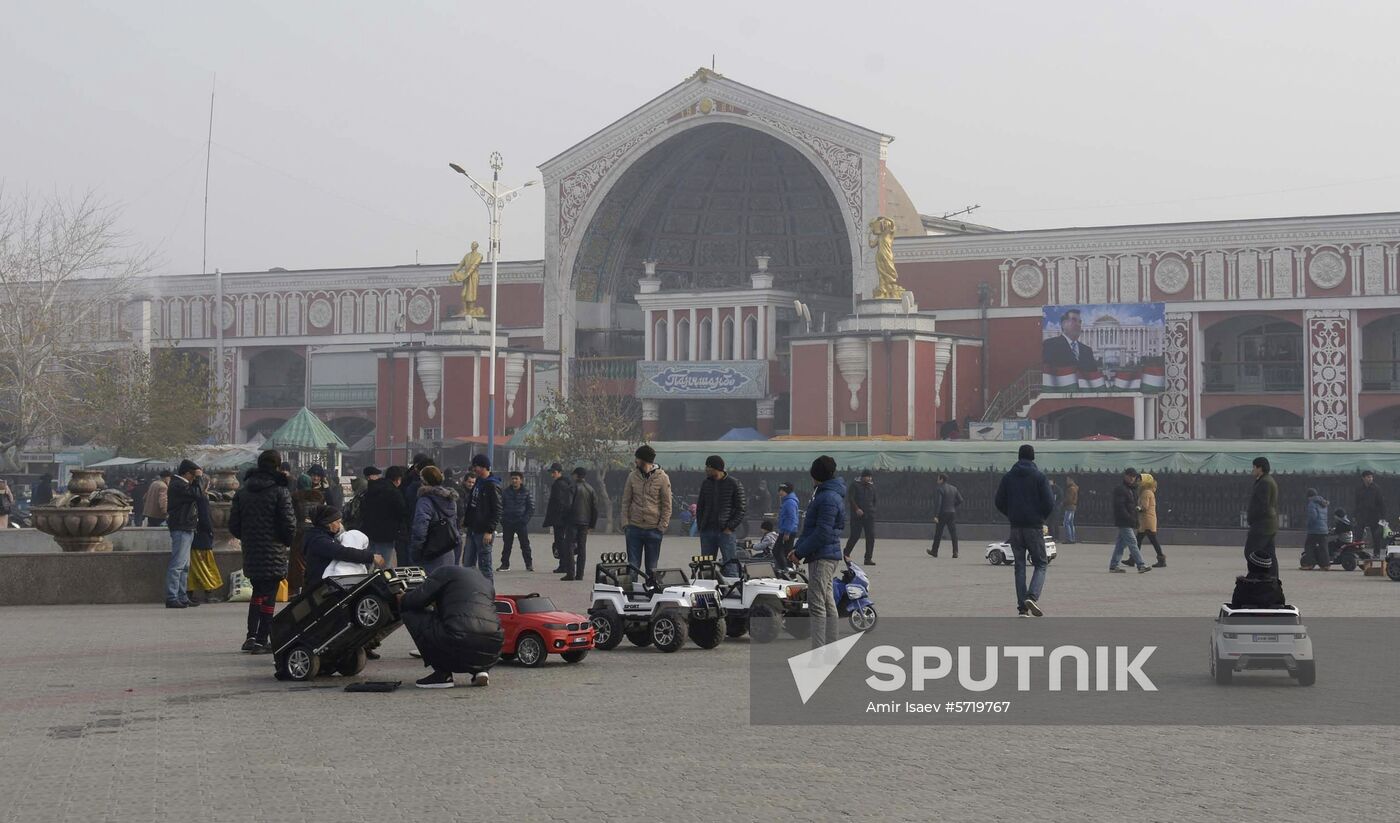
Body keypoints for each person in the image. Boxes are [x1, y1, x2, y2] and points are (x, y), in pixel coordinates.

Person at [229, 449, 297, 653]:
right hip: (274, 550)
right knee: (269, 596)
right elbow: (289, 523)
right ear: (277, 466)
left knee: (257, 593)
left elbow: (233, 524)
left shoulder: (243, 492)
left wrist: (249, 538)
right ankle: (261, 640)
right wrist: (285, 541)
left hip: (252, 550)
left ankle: (251, 637)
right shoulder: (280, 491)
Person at [399, 565, 503, 689]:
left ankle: (442, 674)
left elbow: (415, 600)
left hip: (457, 639)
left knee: (409, 611)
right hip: (492, 647)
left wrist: (403, 598)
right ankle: (481, 670)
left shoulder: (443, 572)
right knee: (473, 622)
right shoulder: (484, 580)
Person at [788, 455, 846, 649]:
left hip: (822, 556)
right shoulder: (827, 494)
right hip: (824, 554)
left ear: (816, 475)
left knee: (817, 604)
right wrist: (798, 549)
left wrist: (800, 552)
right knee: (827, 602)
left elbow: (822, 532)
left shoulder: (827, 497)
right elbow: (811, 529)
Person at [994, 444, 1054, 617]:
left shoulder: (1008, 477)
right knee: (1041, 563)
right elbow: (1049, 502)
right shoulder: (1039, 477)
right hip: (1034, 527)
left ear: (1019, 457)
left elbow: (998, 501)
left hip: (1016, 528)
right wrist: (1040, 517)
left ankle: (1022, 608)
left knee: (1019, 566)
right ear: (1033, 457)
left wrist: (1011, 514)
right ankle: (1032, 596)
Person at [621, 444, 672, 575]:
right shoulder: (632, 476)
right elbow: (626, 501)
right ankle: (631, 588)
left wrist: (662, 526)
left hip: (654, 529)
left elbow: (667, 505)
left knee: (651, 568)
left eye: (637, 458)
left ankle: (651, 588)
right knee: (633, 566)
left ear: (644, 460)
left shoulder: (662, 477)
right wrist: (625, 523)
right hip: (634, 528)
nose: (635, 461)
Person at [303, 504, 383, 582]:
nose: (340, 526)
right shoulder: (318, 540)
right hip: (319, 584)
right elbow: (342, 552)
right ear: (329, 523)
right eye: (338, 522)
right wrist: (371, 557)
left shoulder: (322, 535)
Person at [695, 455, 746, 576]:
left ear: (716, 468)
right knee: (706, 565)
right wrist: (701, 525)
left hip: (725, 532)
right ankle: (707, 585)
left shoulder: (734, 483)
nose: (706, 469)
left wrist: (730, 527)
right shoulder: (706, 483)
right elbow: (700, 506)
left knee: (730, 564)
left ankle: (732, 586)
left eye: (708, 467)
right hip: (707, 531)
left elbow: (741, 508)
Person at [164, 460, 203, 609]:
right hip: (181, 526)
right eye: (193, 475)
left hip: (186, 526)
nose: (194, 478)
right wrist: (199, 479)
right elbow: (197, 495)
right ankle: (172, 597)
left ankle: (182, 596)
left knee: (185, 566)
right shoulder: (178, 485)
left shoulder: (181, 484)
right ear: (187, 473)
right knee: (177, 565)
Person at [409, 466, 460, 574]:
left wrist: (415, 552)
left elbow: (420, 529)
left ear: (424, 481)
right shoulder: (450, 499)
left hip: (430, 551)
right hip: (448, 548)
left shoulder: (425, 501)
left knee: (430, 581)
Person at [462, 455, 501, 581]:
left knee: (484, 566)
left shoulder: (492, 485)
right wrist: (466, 521)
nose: (474, 469)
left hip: (483, 531)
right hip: (472, 528)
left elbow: (497, 510)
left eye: (476, 466)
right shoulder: (478, 482)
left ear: (483, 467)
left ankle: (488, 590)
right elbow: (472, 504)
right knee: (467, 563)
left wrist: (490, 530)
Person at [186, 475, 224, 604]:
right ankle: (209, 593)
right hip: (202, 538)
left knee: (193, 569)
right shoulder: (202, 498)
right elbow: (205, 518)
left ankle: (189, 593)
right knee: (206, 567)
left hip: (193, 536)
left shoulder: (190, 497)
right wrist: (210, 531)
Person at [287, 469, 326, 594]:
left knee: (297, 561)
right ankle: (311, 586)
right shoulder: (319, 497)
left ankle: (297, 586)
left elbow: (291, 516)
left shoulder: (294, 497)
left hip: (299, 532)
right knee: (312, 559)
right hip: (315, 532)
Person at [360, 466, 407, 565]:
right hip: (386, 534)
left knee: (370, 562)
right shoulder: (394, 492)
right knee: (384, 565)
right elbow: (402, 512)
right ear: (398, 479)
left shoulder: (371, 489)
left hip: (369, 531)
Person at [1109, 468, 1151, 573]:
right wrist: (1129, 517)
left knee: (1121, 544)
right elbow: (1120, 506)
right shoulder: (1121, 489)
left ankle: (1114, 565)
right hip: (1124, 520)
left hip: (1129, 520)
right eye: (1130, 476)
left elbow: (1133, 506)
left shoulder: (1132, 489)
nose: (1132, 478)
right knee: (1132, 542)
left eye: (1134, 476)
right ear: (1125, 476)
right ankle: (1141, 565)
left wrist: (1135, 519)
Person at [1245, 456, 1280, 579]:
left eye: (1254, 467)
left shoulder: (1264, 482)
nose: (1252, 470)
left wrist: (1252, 518)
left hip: (1262, 525)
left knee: (1251, 553)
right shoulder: (1268, 480)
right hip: (1269, 524)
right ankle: (1273, 579)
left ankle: (1256, 578)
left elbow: (1262, 505)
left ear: (1260, 468)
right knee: (1269, 554)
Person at [562, 467, 598, 581]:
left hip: (572, 521)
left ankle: (570, 573)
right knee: (582, 547)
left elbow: (567, 505)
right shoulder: (590, 489)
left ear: (576, 475)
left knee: (569, 546)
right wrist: (592, 524)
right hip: (585, 522)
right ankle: (580, 574)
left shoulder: (572, 487)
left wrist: (564, 519)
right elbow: (595, 508)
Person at [499, 471, 535, 572]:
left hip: (520, 522)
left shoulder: (526, 492)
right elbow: (500, 506)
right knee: (507, 545)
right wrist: (503, 519)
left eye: (516, 479)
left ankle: (529, 564)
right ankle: (504, 564)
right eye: (512, 479)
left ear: (521, 480)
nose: (514, 481)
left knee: (525, 544)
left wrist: (525, 520)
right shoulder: (505, 492)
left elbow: (531, 508)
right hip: (508, 522)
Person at [542, 463, 575, 575]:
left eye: (554, 472)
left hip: (559, 518)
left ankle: (564, 564)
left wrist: (559, 515)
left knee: (559, 542)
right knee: (563, 541)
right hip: (565, 517)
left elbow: (560, 501)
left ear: (559, 472)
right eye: (551, 472)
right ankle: (566, 563)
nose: (552, 475)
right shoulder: (567, 483)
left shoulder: (558, 484)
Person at [843, 469, 878, 565]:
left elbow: (874, 500)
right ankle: (846, 553)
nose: (869, 478)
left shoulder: (872, 487)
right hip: (857, 516)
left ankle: (868, 558)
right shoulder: (855, 485)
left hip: (869, 516)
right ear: (862, 477)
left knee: (870, 536)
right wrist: (857, 509)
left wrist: (872, 510)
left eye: (870, 477)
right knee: (855, 535)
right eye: (867, 476)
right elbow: (851, 499)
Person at [928, 473, 964, 558]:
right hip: (952, 513)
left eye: (938, 478)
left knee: (938, 533)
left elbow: (939, 503)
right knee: (953, 533)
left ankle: (934, 551)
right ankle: (955, 552)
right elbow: (960, 500)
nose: (937, 480)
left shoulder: (940, 489)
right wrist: (953, 506)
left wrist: (936, 515)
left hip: (942, 514)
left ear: (941, 479)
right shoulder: (954, 488)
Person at [1136, 473, 1166, 568]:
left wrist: (1137, 508)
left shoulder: (1146, 492)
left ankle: (1161, 558)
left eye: (1140, 480)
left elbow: (1144, 507)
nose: (1138, 481)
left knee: (1150, 540)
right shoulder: (1148, 491)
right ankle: (1133, 558)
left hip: (1147, 520)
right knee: (1139, 539)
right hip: (1147, 520)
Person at [1354, 470, 1386, 560]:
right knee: (1358, 534)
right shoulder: (1359, 489)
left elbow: (1381, 503)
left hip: (1374, 515)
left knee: (1376, 535)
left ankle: (1376, 553)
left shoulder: (1376, 488)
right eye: (1368, 477)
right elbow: (1356, 503)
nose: (1370, 479)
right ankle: (1358, 553)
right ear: (1363, 478)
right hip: (1362, 514)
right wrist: (1355, 515)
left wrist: (1383, 517)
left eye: (1371, 477)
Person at [774, 482, 800, 572]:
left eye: (782, 491)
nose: (780, 492)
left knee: (778, 551)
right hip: (785, 530)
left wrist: (787, 532)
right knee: (784, 552)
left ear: (787, 491)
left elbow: (791, 518)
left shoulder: (790, 502)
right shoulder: (786, 501)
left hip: (788, 532)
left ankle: (787, 569)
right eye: (779, 490)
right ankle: (787, 569)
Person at [1303, 488, 1330, 570]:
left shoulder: (1312, 503)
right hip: (1324, 529)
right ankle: (1326, 565)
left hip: (1314, 529)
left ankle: (1310, 563)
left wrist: (1308, 524)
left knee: (1309, 546)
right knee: (1323, 547)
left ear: (1309, 496)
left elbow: (1313, 517)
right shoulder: (1323, 503)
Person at [1062, 477, 1080, 544]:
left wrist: (1063, 502)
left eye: (1068, 480)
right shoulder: (1075, 488)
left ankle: (1069, 539)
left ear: (1071, 480)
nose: (1067, 482)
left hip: (1069, 507)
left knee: (1066, 522)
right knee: (1071, 523)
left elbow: (1069, 499)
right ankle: (1072, 538)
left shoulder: (1071, 489)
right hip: (1073, 506)